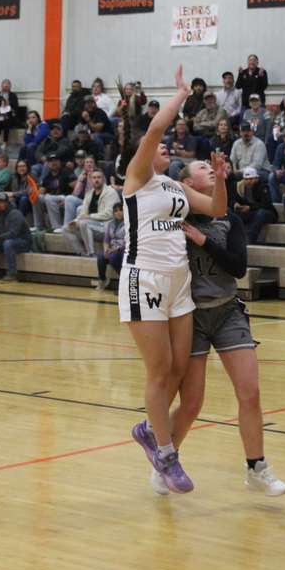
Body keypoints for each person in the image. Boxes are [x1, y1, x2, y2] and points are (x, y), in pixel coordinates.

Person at [119, 64, 227, 495]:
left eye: (168, 146)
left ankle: (150, 429)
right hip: (143, 278)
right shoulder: (139, 177)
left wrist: (220, 180)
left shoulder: (175, 188)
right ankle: (164, 453)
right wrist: (181, 94)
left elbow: (217, 210)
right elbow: (154, 129)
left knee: (179, 370)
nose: (165, 146)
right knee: (160, 372)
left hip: (178, 283)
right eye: (160, 145)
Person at [156, 159, 285, 498]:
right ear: (186, 183)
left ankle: (256, 467)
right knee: (192, 403)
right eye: (202, 167)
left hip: (228, 311)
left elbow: (239, 268)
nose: (210, 169)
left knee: (251, 393)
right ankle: (165, 460)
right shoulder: (173, 218)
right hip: (191, 317)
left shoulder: (228, 219)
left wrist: (203, 241)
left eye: (211, 166)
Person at [64, 167, 120, 254]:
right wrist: (75, 221)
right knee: (65, 228)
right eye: (94, 178)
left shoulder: (111, 193)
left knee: (84, 224)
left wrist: (90, 217)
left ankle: (91, 253)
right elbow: (83, 213)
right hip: (91, 225)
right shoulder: (89, 194)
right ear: (90, 180)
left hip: (107, 227)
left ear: (103, 179)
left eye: (99, 177)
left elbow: (109, 213)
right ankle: (82, 252)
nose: (96, 180)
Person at [230, 165, 277, 244]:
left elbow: (267, 204)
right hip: (249, 213)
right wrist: (235, 204)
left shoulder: (263, 187)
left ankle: (250, 238)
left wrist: (250, 208)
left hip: (263, 213)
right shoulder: (240, 187)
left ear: (256, 179)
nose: (248, 181)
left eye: (251, 179)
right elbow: (232, 199)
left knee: (262, 213)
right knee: (229, 212)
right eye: (246, 179)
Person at [33, 153, 76, 229]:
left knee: (48, 198)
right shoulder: (47, 177)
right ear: (48, 164)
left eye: (56, 161)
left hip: (65, 197)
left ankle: (57, 226)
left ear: (60, 162)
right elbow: (41, 193)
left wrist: (69, 199)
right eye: (51, 162)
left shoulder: (67, 173)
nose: (54, 163)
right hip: (52, 198)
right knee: (37, 197)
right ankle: (39, 225)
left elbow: (77, 188)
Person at [61, 155, 98, 229]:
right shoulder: (83, 175)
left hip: (94, 202)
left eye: (91, 162)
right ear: (84, 165)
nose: (89, 164)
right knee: (69, 198)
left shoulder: (98, 175)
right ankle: (66, 226)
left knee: (80, 208)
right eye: (87, 162)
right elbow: (76, 193)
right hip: (83, 200)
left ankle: (77, 228)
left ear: (94, 164)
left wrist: (89, 180)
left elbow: (92, 193)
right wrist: (80, 180)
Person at [96, 202, 125, 290]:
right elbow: (106, 239)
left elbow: (128, 241)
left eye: (121, 210)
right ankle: (102, 280)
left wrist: (115, 250)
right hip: (111, 249)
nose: (118, 213)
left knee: (113, 258)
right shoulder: (110, 223)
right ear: (113, 213)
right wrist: (106, 250)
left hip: (122, 249)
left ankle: (124, 281)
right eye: (116, 211)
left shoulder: (128, 223)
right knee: (101, 257)